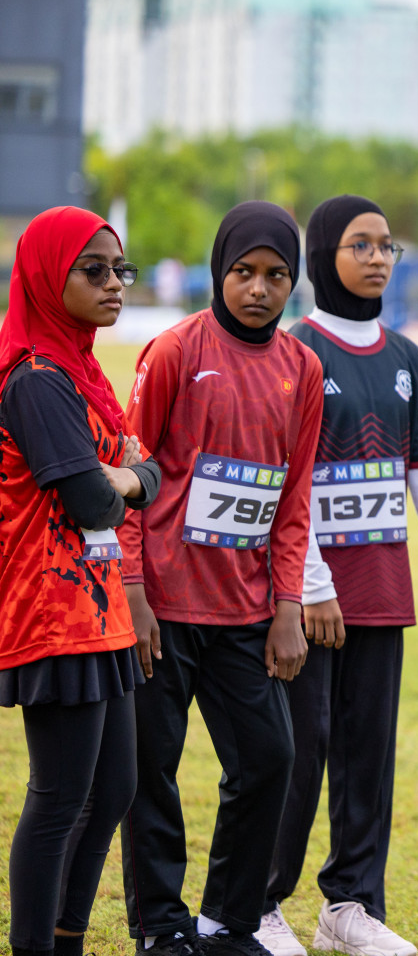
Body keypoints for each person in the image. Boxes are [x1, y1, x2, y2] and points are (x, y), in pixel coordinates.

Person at [257, 196, 418, 956]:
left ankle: (351, 904)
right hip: (308, 598)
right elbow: (288, 481)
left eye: (387, 245)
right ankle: (261, 902)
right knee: (299, 748)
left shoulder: (409, 358)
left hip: (383, 593)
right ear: (322, 256)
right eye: (360, 244)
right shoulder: (295, 350)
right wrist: (310, 582)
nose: (378, 257)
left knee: (367, 753)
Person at [119, 201, 323, 956]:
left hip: (245, 610)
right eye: (244, 272)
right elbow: (132, 479)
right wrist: (134, 593)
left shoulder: (303, 368)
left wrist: (289, 603)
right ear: (219, 272)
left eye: (275, 275)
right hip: (165, 608)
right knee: (151, 771)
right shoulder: (173, 352)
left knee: (270, 757)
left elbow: (294, 495)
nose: (259, 289)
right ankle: (160, 928)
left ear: (293, 282)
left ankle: (227, 922)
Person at [0, 208, 161, 956]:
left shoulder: (84, 373)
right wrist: (129, 477)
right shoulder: (36, 379)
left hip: (95, 605)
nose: (113, 284)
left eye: (119, 270)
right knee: (61, 796)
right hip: (50, 606)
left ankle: (67, 939)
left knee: (115, 789)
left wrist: (127, 474)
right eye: (92, 270)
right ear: (44, 275)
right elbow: (94, 499)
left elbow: (145, 472)